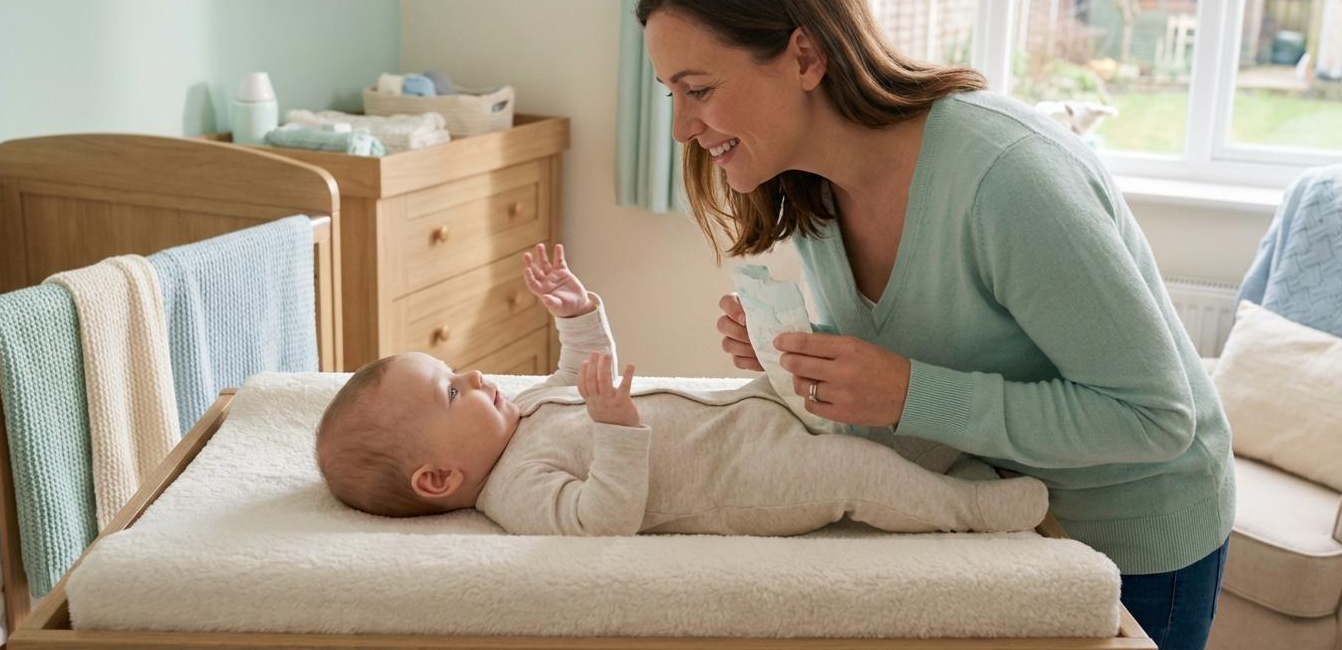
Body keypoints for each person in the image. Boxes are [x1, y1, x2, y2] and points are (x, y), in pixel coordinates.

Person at [637, 0, 1233, 650]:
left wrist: (906, 392)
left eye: (697, 88)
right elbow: (946, 348)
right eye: (671, 93)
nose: (680, 129)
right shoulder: (810, 187)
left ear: (804, 56)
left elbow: (1154, 418)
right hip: (998, 511)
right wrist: (813, 362)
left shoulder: (1007, 179)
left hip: (1130, 535)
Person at [315, 244, 1048, 537]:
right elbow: (602, 523)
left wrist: (577, 312)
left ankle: (961, 445)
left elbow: (583, 368)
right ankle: (972, 511)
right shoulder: (516, 491)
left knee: (862, 417)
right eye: (451, 392)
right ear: (439, 477)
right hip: (749, 478)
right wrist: (615, 430)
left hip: (752, 419)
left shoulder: (526, 411)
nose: (475, 376)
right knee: (858, 474)